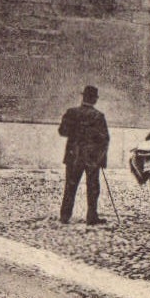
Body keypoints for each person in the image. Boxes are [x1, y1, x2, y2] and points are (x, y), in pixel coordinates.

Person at [57, 85, 110, 226]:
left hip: (73, 156)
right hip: (91, 158)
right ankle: (92, 217)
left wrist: (75, 133)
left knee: (70, 185)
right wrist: (101, 160)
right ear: (94, 99)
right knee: (93, 187)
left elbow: (62, 131)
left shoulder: (71, 113)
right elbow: (104, 139)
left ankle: (65, 216)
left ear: (84, 97)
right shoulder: (98, 116)